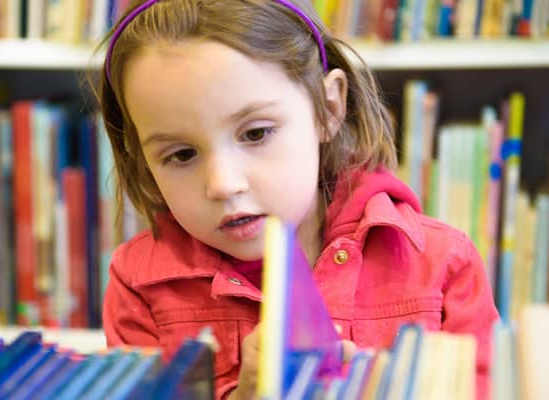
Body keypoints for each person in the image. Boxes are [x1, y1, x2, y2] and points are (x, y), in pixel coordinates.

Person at [96, 0, 499, 398]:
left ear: (327, 109)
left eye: (255, 134)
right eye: (181, 155)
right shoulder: (139, 286)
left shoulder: (443, 263)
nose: (223, 184)